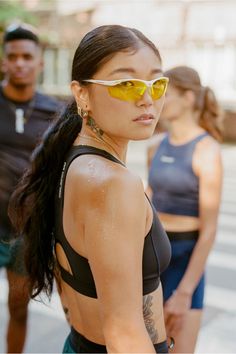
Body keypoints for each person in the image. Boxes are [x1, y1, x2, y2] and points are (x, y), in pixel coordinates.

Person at [9, 25, 173, 353]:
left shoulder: (70, 160)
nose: (146, 98)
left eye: (157, 83)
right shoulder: (113, 184)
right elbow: (124, 333)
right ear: (82, 93)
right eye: (126, 84)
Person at [147, 66, 223, 353]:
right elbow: (149, 205)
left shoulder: (207, 150)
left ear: (188, 98)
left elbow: (209, 230)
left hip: (184, 262)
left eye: (165, 94)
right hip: (153, 257)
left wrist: (184, 292)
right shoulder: (156, 146)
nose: (157, 101)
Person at [0, 23, 61, 353]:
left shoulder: (55, 112)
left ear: (39, 62)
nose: (20, 62)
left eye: (27, 56)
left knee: (18, 307)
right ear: (3, 61)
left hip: (27, 230)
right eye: (13, 56)